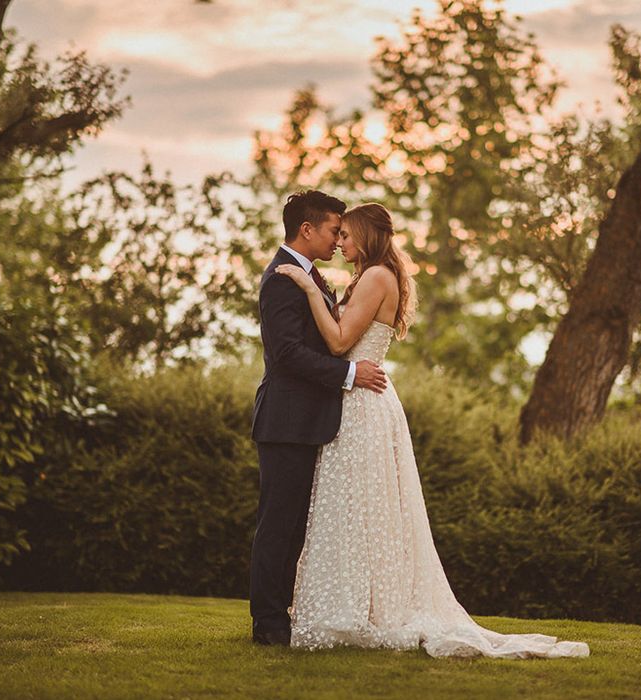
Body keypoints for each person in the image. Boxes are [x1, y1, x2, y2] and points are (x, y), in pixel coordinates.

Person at [275, 201, 590, 659]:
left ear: (365, 236)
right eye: (336, 234)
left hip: (363, 402)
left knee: (359, 504)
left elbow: (341, 342)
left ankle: (369, 609)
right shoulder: (370, 276)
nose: (340, 241)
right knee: (353, 506)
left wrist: (307, 287)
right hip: (357, 399)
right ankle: (360, 602)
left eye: (346, 234)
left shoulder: (378, 276)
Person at [249, 190, 387, 646]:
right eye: (333, 230)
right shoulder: (281, 280)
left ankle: (284, 618)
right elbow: (286, 354)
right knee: (278, 525)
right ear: (306, 229)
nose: (336, 240)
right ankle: (268, 625)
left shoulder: (309, 277)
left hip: (311, 422)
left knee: (295, 532)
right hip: (286, 422)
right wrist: (349, 372)